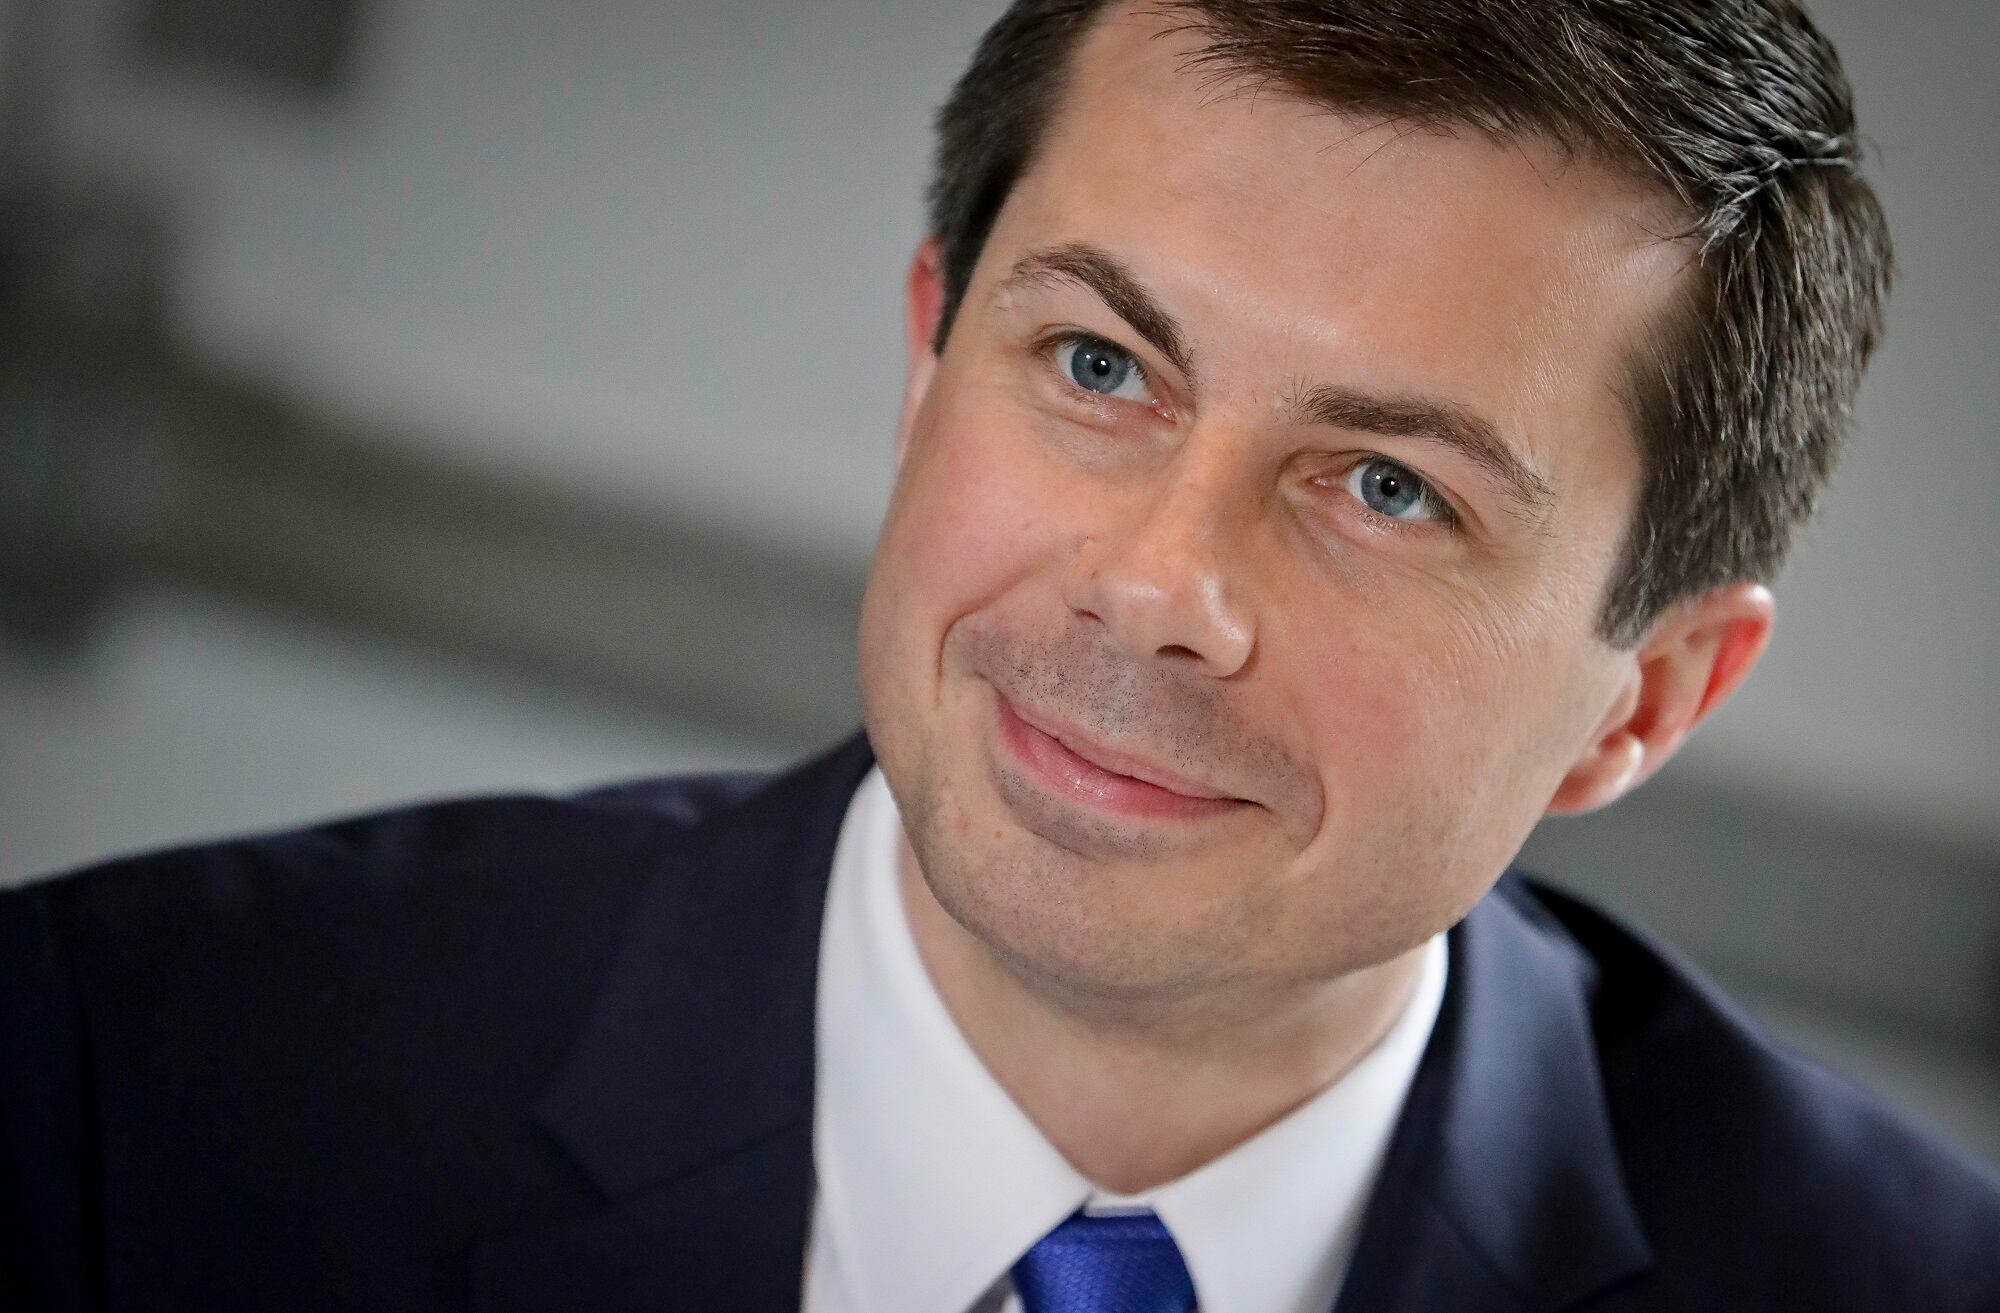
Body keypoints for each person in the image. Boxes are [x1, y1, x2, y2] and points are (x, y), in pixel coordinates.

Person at [4, 0, 1997, 1309]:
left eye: (1388, 487)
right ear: (926, 358)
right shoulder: (120, 1089)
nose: (1152, 585)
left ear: (1645, 700)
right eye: (1099, 365)